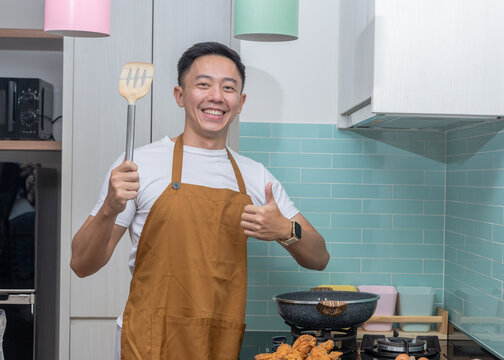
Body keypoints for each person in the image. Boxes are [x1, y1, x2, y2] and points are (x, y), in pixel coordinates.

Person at [70, 42, 330, 360]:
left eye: (228, 87)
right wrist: (110, 208)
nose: (216, 97)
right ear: (180, 95)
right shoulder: (138, 165)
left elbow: (319, 258)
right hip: (148, 340)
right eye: (203, 84)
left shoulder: (255, 176)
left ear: (241, 102)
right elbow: (81, 264)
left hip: (216, 343)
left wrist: (287, 230)